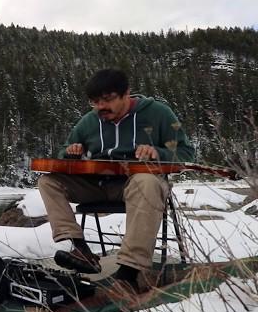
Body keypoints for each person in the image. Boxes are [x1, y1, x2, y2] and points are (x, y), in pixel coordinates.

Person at [38, 68, 195, 293]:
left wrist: (158, 152)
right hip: (98, 186)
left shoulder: (159, 113)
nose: (101, 107)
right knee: (48, 182)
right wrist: (70, 151)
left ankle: (129, 273)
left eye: (108, 99)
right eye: (95, 102)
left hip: (138, 186)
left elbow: (187, 153)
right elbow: (64, 149)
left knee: (147, 181)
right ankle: (81, 250)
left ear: (126, 94)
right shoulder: (89, 121)